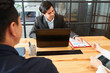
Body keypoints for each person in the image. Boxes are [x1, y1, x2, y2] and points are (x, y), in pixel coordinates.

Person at [0, 0, 59, 73]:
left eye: (53, 11)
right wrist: (41, 37)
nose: (52, 14)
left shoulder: (60, 18)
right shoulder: (45, 67)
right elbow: (32, 33)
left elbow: (67, 29)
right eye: (20, 22)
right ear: (13, 27)